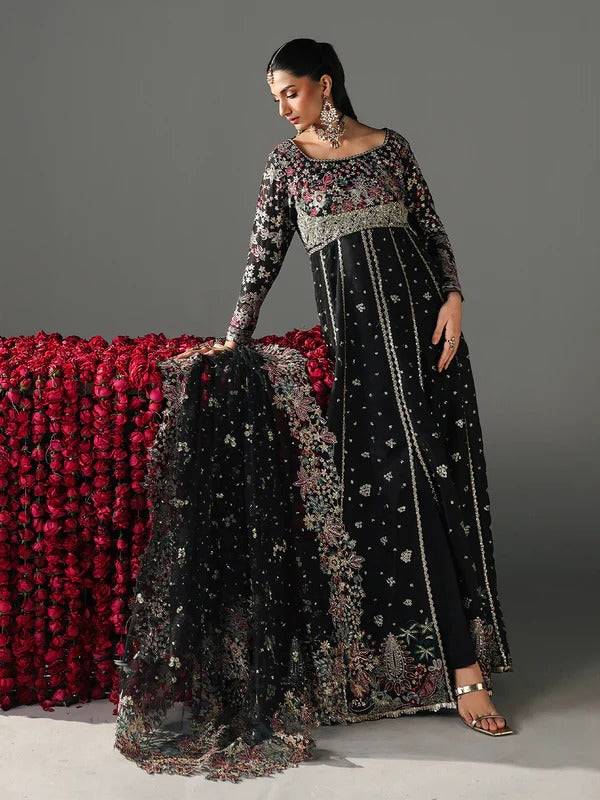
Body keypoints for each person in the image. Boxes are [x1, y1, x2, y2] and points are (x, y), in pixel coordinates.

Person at [173, 38, 514, 742]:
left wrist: (452, 298)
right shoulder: (287, 165)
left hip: (427, 341)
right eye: (275, 99)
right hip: (360, 356)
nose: (282, 109)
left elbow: (432, 231)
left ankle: (466, 668)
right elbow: (262, 258)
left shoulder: (392, 149)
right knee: (395, 493)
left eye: (290, 93)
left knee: (438, 486)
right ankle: (406, 664)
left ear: (325, 84)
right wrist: (236, 336)